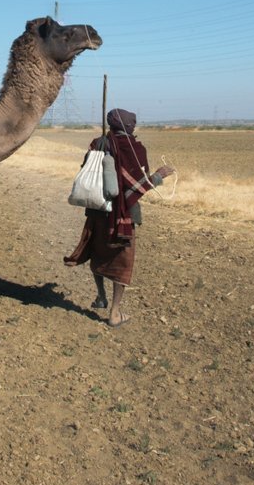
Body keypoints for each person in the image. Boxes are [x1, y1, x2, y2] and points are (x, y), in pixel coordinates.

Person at [65, 108, 174, 327]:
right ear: (129, 126)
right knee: (122, 261)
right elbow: (133, 190)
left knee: (98, 252)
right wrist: (159, 176)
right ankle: (114, 313)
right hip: (122, 215)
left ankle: (100, 296)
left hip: (97, 209)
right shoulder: (135, 149)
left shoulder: (97, 143)